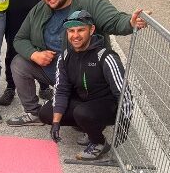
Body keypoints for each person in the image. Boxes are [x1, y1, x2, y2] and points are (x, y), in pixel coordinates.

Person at [6, 0, 148, 126]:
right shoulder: (39, 9)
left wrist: (130, 23)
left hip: (82, 75)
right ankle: (33, 113)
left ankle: (89, 118)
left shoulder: (90, 3)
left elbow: (114, 21)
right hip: (55, 71)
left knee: (82, 118)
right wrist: (34, 54)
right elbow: (20, 39)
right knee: (19, 62)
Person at [39, 10, 132, 161]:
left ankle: (99, 142)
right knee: (46, 113)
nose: (75, 35)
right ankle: (88, 128)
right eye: (71, 31)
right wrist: (56, 123)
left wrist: (124, 124)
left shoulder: (105, 56)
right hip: (84, 103)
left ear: (91, 30)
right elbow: (61, 90)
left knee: (83, 112)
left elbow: (123, 93)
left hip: (107, 106)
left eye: (81, 30)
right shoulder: (65, 56)